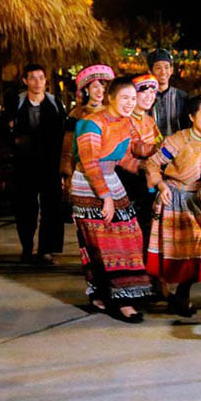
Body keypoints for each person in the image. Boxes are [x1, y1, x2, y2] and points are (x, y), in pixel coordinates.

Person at [70, 77, 152, 322]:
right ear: (111, 98)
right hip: (88, 184)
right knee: (105, 243)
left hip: (111, 180)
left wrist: (152, 165)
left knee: (132, 234)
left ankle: (106, 294)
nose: (130, 103)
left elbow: (125, 159)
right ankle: (119, 300)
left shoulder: (126, 123)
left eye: (132, 99)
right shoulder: (91, 123)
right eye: (125, 98)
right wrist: (105, 197)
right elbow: (90, 162)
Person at [146, 97, 201, 316]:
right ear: (192, 117)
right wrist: (161, 187)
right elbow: (152, 163)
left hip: (197, 199)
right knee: (177, 250)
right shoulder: (177, 140)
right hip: (174, 197)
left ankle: (181, 295)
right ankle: (169, 293)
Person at [1, 64, 65, 264]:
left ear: (46, 80)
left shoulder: (55, 103)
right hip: (24, 163)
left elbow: (63, 133)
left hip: (50, 163)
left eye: (41, 78)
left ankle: (46, 249)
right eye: (33, 78)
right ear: (25, 81)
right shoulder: (17, 102)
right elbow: (2, 127)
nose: (37, 82)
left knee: (51, 206)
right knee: (24, 207)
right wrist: (15, 141)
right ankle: (27, 246)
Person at [118, 74, 163, 253]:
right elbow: (129, 152)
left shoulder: (149, 120)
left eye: (153, 92)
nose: (149, 96)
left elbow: (160, 145)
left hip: (148, 177)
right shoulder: (124, 119)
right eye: (144, 92)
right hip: (128, 178)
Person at [61, 64, 115, 194]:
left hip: (109, 171)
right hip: (82, 171)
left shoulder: (113, 112)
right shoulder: (76, 114)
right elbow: (68, 145)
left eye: (103, 86)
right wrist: (66, 172)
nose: (100, 91)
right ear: (86, 89)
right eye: (95, 86)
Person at [147, 49, 188, 137]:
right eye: (158, 68)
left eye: (166, 67)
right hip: (151, 147)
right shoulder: (145, 98)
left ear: (171, 70)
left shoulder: (182, 97)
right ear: (150, 71)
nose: (163, 72)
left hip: (178, 147)